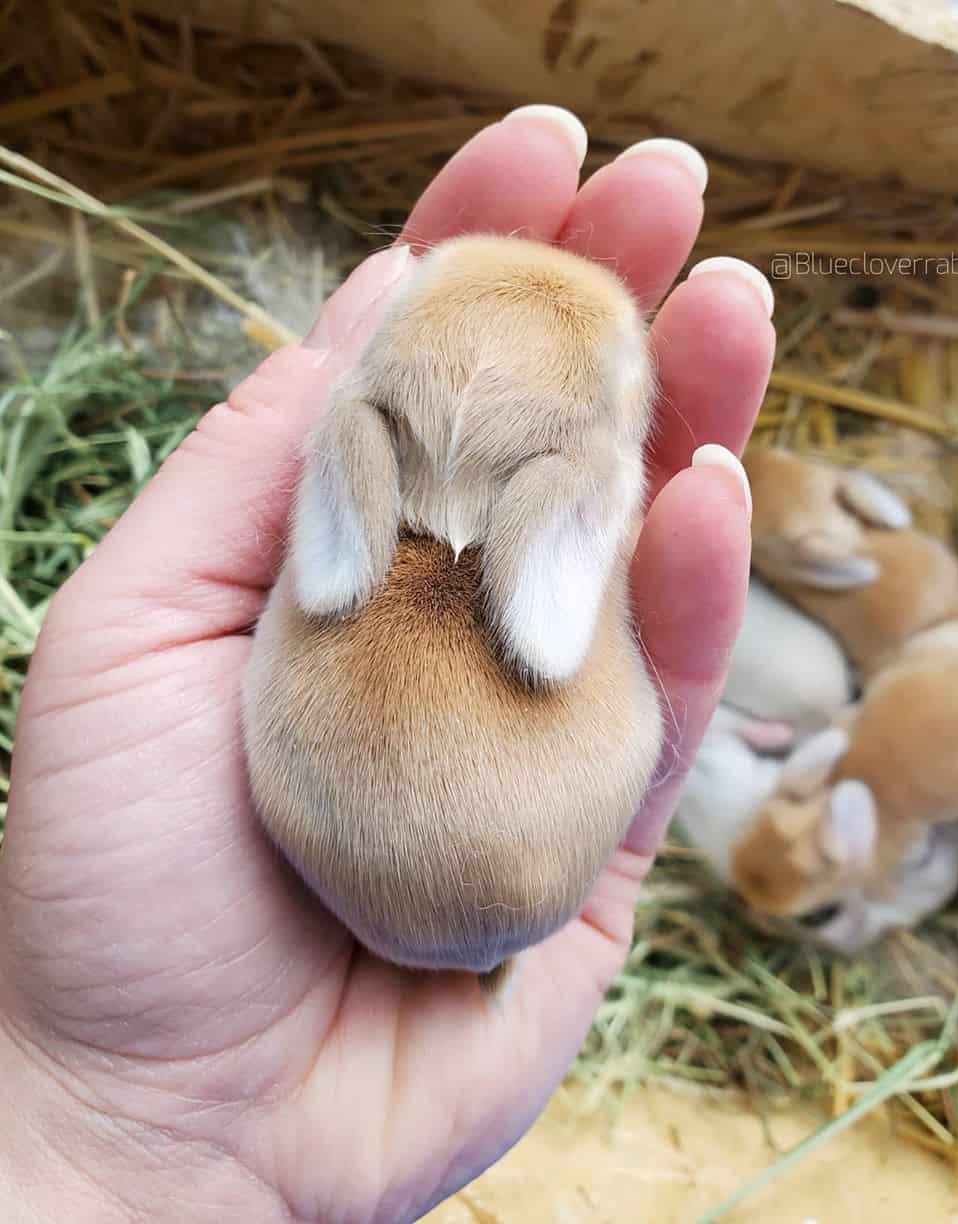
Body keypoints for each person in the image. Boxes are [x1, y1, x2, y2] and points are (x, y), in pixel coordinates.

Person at [0, 105, 775, 1222]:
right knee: (630, 660)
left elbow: (383, 571)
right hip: (537, 858)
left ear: (355, 428)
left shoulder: (350, 437)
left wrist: (105, 1132)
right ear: (581, 487)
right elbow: (552, 624)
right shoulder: (578, 488)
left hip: (326, 847)